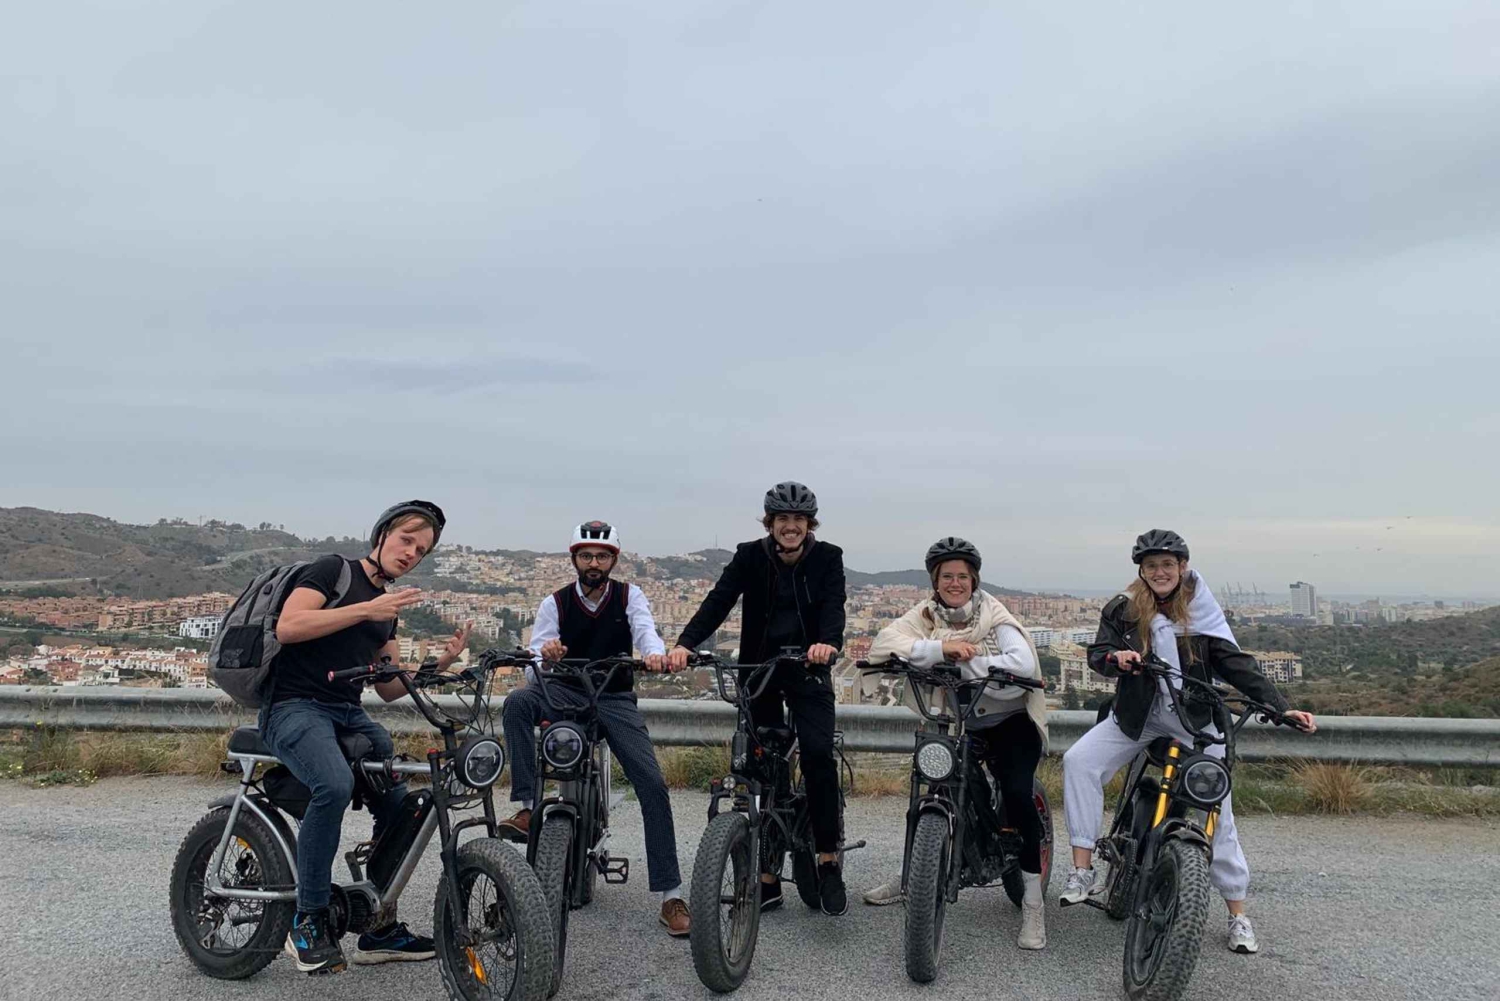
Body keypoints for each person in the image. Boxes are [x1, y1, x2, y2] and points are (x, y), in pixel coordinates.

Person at [1059, 529, 1318, 954]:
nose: (1159, 572)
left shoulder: (1201, 613)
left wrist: (1281, 707)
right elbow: (1098, 654)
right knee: (1078, 761)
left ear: (1182, 567)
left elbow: (1236, 665)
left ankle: (1237, 913)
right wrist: (1115, 659)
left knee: (1218, 808)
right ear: (1142, 571)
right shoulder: (1124, 609)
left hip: (1193, 719)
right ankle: (1082, 867)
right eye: (1151, 566)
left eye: (1167, 564)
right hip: (1139, 716)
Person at [262, 500, 470, 975]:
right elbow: (289, 627)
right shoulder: (333, 571)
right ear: (382, 536)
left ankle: (378, 925)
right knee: (333, 785)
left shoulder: (386, 610)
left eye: (420, 550)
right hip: (294, 706)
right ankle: (308, 920)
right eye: (406, 540)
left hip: (347, 713)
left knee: (402, 805)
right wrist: (365, 609)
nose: (410, 553)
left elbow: (389, 687)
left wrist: (440, 663)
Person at [497, 520, 691, 937]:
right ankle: (527, 806)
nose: (594, 563)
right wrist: (547, 657)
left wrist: (654, 655)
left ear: (613, 560)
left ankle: (670, 894)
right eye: (586, 556)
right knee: (516, 702)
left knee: (652, 784)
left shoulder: (628, 596)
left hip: (613, 696)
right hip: (565, 691)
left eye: (602, 556)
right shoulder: (555, 602)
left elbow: (646, 632)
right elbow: (534, 665)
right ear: (575, 559)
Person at [666, 481, 850, 915]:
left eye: (799, 519)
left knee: (818, 755)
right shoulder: (750, 555)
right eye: (783, 519)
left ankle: (827, 859)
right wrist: (685, 644)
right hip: (759, 670)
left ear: (809, 524)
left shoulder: (828, 557)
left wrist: (827, 643)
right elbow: (719, 602)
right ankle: (767, 878)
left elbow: (834, 605)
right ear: (770, 524)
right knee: (761, 769)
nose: (791, 526)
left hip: (808, 668)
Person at [864, 538, 1050, 949]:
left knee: (1017, 793)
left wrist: (967, 663)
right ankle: (915, 874)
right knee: (933, 787)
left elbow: (1022, 662)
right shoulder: (926, 615)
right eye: (946, 576)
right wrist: (941, 648)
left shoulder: (995, 615)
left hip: (1009, 722)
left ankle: (1033, 903)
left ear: (974, 580)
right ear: (935, 581)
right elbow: (883, 644)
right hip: (960, 724)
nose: (954, 583)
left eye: (962, 576)